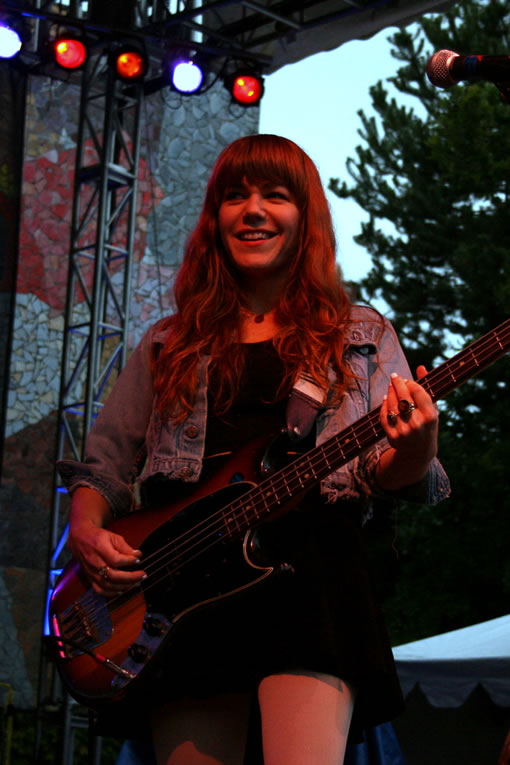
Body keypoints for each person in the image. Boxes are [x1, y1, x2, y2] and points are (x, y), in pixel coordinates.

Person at [57, 134, 450, 765]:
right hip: (184, 597)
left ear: (306, 218)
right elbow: (103, 464)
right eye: (235, 196)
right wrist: (85, 527)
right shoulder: (167, 344)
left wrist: (418, 442)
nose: (253, 209)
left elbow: (394, 475)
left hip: (312, 588)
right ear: (215, 218)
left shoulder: (362, 334)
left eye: (275, 195)